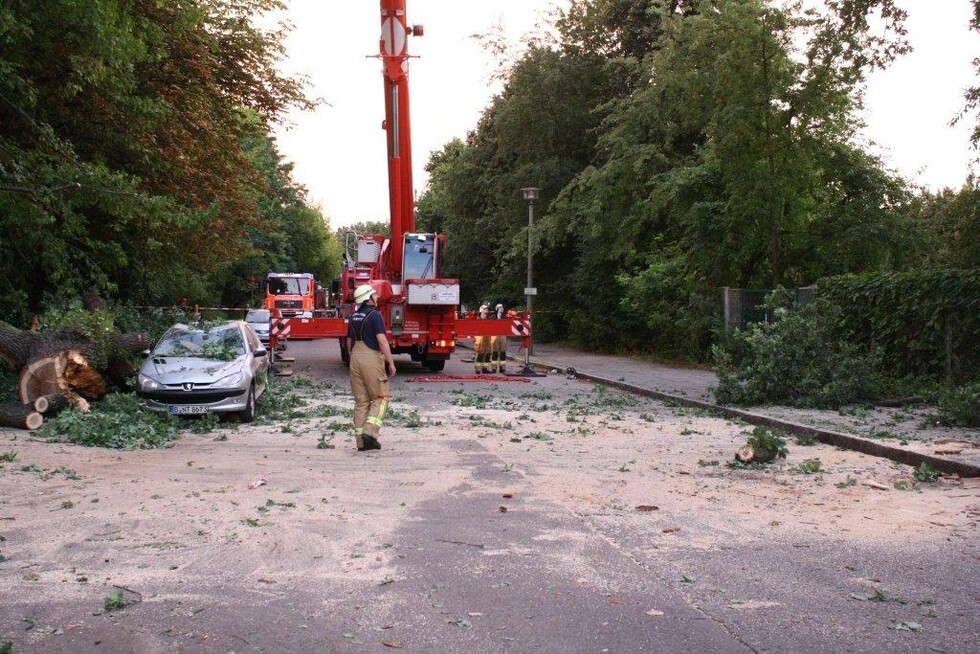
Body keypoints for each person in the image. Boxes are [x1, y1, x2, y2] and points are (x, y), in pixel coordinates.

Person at [346, 284, 396, 451]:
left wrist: (353, 358)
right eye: (375, 295)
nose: (377, 297)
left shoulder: (353, 316)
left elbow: (348, 342)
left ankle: (361, 443)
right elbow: (381, 340)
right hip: (370, 358)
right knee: (381, 398)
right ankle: (370, 433)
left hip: (355, 357)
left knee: (361, 402)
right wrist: (390, 362)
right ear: (368, 298)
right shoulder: (375, 315)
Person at [473, 304, 491, 374]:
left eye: (487, 309)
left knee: (487, 353)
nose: (487, 310)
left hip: (487, 336)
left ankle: (485, 368)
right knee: (480, 353)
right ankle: (477, 369)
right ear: (481, 310)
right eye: (485, 309)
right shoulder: (478, 317)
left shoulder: (489, 317)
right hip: (480, 337)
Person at [490, 303, 508, 373]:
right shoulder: (492, 317)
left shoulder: (505, 317)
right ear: (497, 309)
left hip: (503, 335)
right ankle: (494, 368)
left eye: (502, 307)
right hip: (495, 336)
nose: (502, 309)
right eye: (500, 307)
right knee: (495, 352)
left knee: (503, 352)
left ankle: (502, 368)